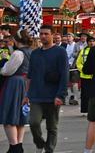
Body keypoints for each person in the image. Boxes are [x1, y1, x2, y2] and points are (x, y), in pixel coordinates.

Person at [27, 25, 69, 153]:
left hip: (53, 95)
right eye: (42, 34)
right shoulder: (34, 53)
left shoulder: (60, 52)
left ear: (52, 35)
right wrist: (26, 94)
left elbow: (64, 74)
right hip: (36, 95)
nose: (43, 36)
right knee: (33, 122)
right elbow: (30, 76)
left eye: (46, 34)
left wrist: (60, 95)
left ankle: (49, 149)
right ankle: (40, 144)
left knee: (52, 127)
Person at [0, 30, 32, 153]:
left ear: (16, 40)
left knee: (9, 115)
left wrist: (3, 63)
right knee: (20, 116)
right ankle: (18, 145)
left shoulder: (18, 53)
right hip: (26, 82)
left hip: (15, 83)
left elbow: (7, 71)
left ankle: (14, 147)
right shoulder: (31, 52)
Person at [76, 34, 95, 114]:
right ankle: (85, 110)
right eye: (90, 41)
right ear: (87, 42)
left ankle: (94, 109)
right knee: (85, 94)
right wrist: (83, 70)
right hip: (84, 76)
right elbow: (78, 63)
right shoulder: (83, 51)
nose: (91, 43)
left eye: (93, 41)